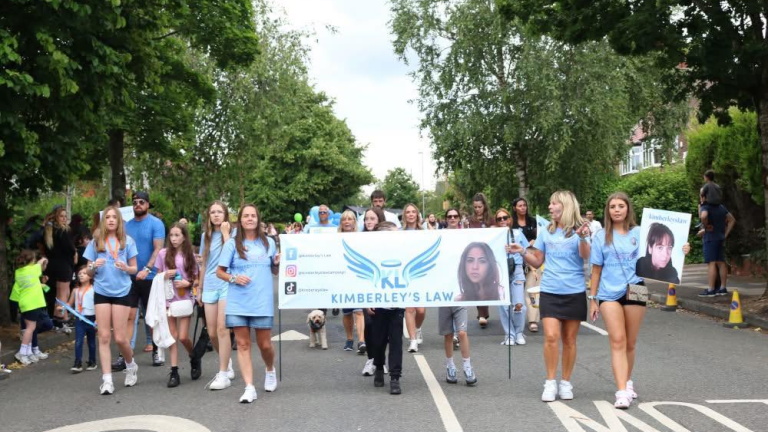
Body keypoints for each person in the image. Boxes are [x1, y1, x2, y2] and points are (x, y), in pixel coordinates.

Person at [589, 192, 689, 408]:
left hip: (636, 289)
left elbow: (662, 251)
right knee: (617, 340)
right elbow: (596, 270)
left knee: (630, 342)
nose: (617, 210)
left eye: (621, 206)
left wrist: (682, 249)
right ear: (608, 211)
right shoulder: (600, 236)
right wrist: (593, 298)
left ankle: (627, 381)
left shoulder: (640, 232)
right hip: (608, 293)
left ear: (628, 209)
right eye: (613, 206)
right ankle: (621, 392)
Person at [510, 190, 590, 402]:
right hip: (550, 290)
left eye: (554, 203)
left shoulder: (580, 229)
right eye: (550, 204)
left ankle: (566, 382)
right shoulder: (546, 231)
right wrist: (522, 251)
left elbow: (585, 256)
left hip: (574, 291)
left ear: (565, 205)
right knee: (551, 337)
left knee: (570, 340)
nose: (550, 207)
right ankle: (550, 381)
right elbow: (537, 261)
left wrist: (583, 238)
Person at [217, 204, 280, 403]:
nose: (250, 218)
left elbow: (275, 271)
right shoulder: (231, 244)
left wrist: (277, 263)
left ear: (258, 219)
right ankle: (249, 387)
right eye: (246, 216)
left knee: (265, 344)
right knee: (243, 344)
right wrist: (234, 278)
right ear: (240, 220)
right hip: (238, 301)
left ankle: (270, 369)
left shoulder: (269, 243)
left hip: (261, 300)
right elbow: (220, 272)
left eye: (253, 215)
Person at [83, 206, 139, 395]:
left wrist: (126, 267)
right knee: (104, 336)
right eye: (108, 217)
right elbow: (88, 271)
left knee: (120, 338)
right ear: (103, 221)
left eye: (114, 217)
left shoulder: (127, 241)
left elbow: (135, 269)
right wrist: (93, 265)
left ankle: (130, 365)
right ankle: (107, 380)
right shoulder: (96, 242)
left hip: (122, 291)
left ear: (119, 220)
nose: (111, 220)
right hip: (101, 290)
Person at [119, 191, 165, 371]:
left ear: (147, 204)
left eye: (141, 202)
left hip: (150, 277)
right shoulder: (127, 226)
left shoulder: (156, 223)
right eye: (135, 202)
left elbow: (158, 249)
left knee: (151, 316)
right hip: (130, 277)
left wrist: (147, 269)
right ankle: (125, 355)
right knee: (129, 316)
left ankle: (157, 350)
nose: (137, 204)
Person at [153, 222, 199, 387]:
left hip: (185, 298)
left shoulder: (189, 255)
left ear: (184, 237)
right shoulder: (163, 253)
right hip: (168, 298)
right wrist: (166, 274)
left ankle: (194, 357)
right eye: (171, 235)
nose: (173, 238)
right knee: (172, 336)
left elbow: (196, 279)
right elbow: (157, 277)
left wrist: (187, 283)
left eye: (177, 235)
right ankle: (174, 371)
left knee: (183, 336)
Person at [438, 207, 478, 385]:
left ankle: (468, 367)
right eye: (449, 216)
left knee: (462, 332)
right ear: (446, 219)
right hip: (444, 293)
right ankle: (450, 366)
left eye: (455, 216)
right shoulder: (440, 236)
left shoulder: (465, 236)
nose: (452, 218)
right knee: (448, 334)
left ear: (459, 218)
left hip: (460, 292)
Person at [199, 201, 236, 390]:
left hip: (226, 284)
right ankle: (226, 361)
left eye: (219, 212)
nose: (215, 215)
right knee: (212, 332)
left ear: (225, 214)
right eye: (212, 212)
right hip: (210, 285)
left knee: (223, 329)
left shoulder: (233, 233)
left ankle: (223, 373)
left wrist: (225, 233)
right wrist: (199, 288)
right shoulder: (205, 236)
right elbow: (204, 263)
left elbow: (232, 254)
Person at [368, 221, 404, 394]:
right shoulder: (373, 255)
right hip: (378, 306)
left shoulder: (402, 254)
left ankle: (395, 377)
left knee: (396, 341)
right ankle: (379, 367)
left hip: (397, 306)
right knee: (379, 341)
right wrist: (367, 301)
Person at [10, 250, 54, 365]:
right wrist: (44, 259)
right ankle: (22, 353)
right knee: (30, 329)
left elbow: (16, 292)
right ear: (32, 260)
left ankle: (28, 352)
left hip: (24, 304)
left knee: (29, 329)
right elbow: (40, 264)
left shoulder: (19, 273)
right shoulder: (34, 269)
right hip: (33, 303)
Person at [495, 208, 529, 346]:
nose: (502, 220)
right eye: (499, 219)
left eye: (505, 217)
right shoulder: (494, 235)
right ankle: (509, 334)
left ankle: (519, 332)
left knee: (519, 304)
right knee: (503, 305)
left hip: (517, 270)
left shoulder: (518, 233)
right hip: (500, 271)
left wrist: (533, 269)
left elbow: (527, 251)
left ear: (510, 219)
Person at [360, 207, 387, 377]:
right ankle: (371, 359)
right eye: (366, 219)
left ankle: (380, 361)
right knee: (369, 325)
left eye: (372, 218)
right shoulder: (360, 239)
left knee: (383, 327)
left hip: (384, 287)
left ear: (379, 220)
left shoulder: (387, 239)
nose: (368, 221)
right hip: (367, 288)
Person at [337, 210, 367, 354]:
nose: (347, 222)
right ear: (341, 223)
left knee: (359, 311)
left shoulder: (361, 238)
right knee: (347, 312)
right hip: (343, 279)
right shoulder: (335, 239)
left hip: (358, 278)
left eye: (350, 219)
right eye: (344, 219)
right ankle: (349, 339)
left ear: (355, 222)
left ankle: (361, 340)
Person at [43, 206, 77, 330]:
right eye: (61, 216)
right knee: (63, 295)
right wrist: (75, 252)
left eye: (65, 216)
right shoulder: (63, 231)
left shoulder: (48, 230)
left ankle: (62, 317)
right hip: (63, 265)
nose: (64, 218)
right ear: (56, 217)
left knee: (60, 293)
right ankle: (60, 320)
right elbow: (70, 248)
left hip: (52, 265)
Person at [698, 195, 736, 297]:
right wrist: (725, 234)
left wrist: (704, 228)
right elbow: (732, 220)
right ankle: (723, 288)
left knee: (711, 263)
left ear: (705, 197)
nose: (700, 198)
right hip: (720, 238)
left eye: (701, 195)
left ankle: (711, 289)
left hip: (710, 238)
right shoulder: (721, 207)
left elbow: (703, 216)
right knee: (721, 262)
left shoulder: (705, 207)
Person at [512, 198, 541, 333]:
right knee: (516, 288)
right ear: (514, 208)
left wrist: (535, 240)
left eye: (524, 205)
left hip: (532, 255)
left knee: (533, 288)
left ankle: (533, 320)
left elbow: (541, 236)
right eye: (520, 206)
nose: (523, 207)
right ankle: (516, 318)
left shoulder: (533, 221)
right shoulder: (511, 223)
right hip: (516, 257)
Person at [402, 203, 427, 353]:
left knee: (421, 310)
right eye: (408, 212)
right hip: (406, 275)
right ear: (404, 215)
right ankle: (412, 340)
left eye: (413, 212)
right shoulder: (400, 233)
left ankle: (417, 328)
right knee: (410, 308)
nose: (411, 214)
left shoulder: (424, 232)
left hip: (421, 274)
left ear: (417, 215)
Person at [467, 192, 494, 328]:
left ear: (484, 206)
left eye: (479, 207)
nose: (477, 209)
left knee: (487, 283)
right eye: (475, 207)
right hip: (476, 254)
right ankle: (482, 314)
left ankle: (484, 312)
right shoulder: (471, 220)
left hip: (488, 255)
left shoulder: (491, 220)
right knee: (477, 283)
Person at [67, 266, 98, 373]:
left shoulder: (94, 289)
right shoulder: (75, 290)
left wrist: (98, 320)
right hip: (79, 319)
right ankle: (78, 363)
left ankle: (92, 361)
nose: (81, 275)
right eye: (79, 273)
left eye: (84, 273)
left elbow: (97, 305)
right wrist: (62, 307)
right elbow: (69, 303)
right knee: (78, 341)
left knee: (91, 342)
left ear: (90, 276)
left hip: (91, 318)